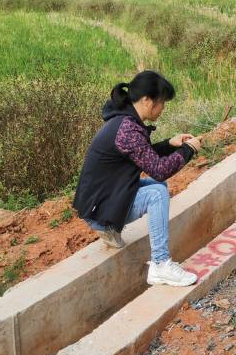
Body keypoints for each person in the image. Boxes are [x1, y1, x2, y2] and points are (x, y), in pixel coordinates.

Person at [73, 70, 202, 287]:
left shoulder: (124, 122)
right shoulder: (127, 130)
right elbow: (159, 169)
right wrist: (187, 150)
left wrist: (170, 144)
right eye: (162, 103)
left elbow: (143, 153)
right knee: (157, 193)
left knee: (156, 186)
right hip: (99, 208)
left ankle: (110, 229)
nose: (163, 109)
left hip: (100, 199)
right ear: (147, 101)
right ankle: (161, 265)